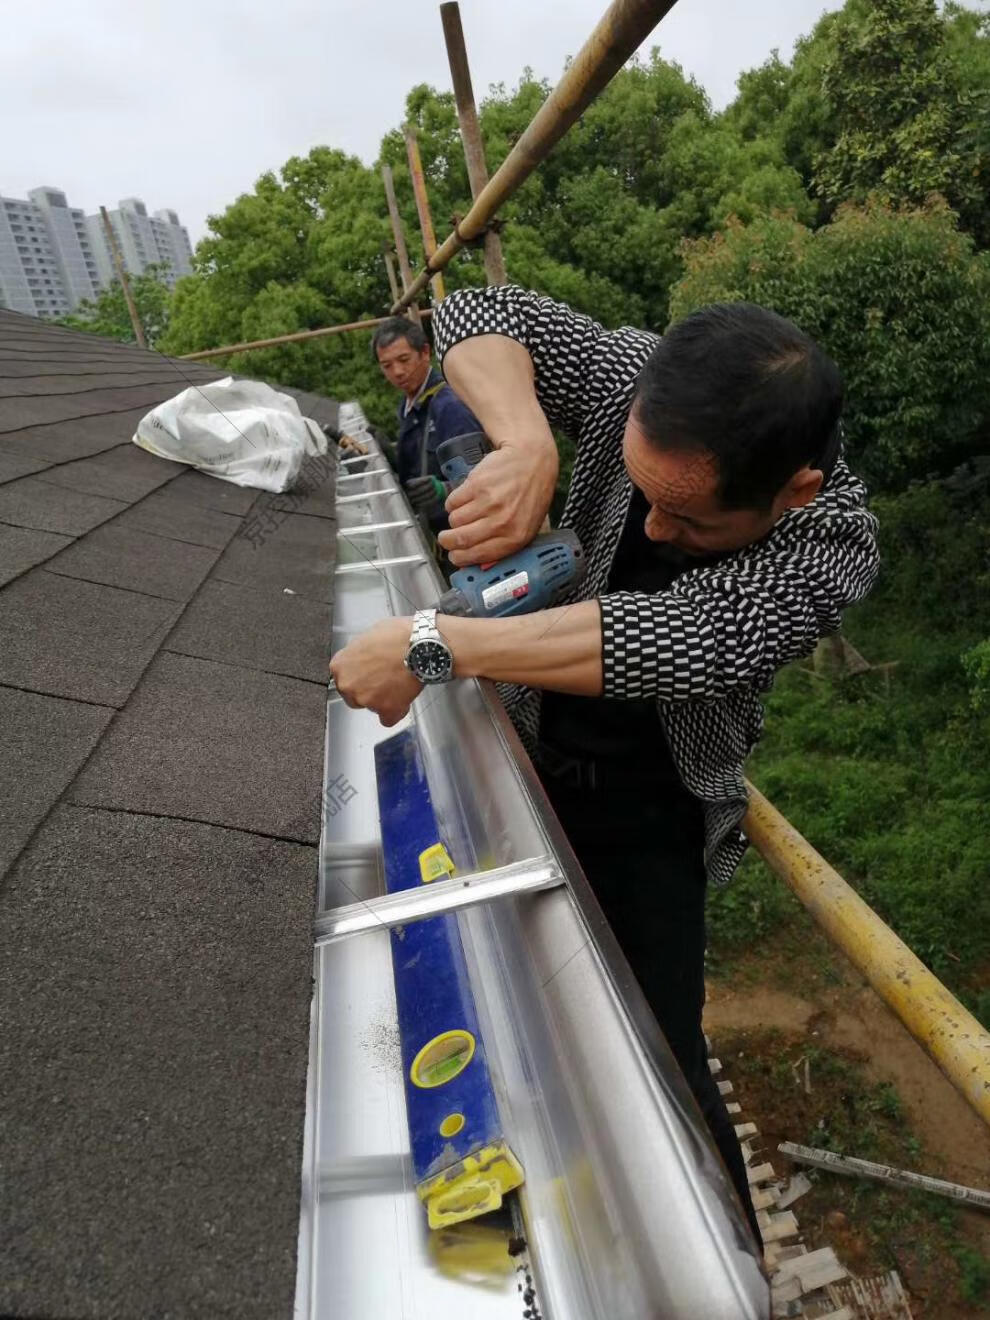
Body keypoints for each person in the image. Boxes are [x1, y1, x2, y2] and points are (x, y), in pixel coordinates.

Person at [332, 287, 880, 1248]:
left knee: (664, 1054)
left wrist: (432, 643)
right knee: (525, 1005)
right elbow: (477, 313)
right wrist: (527, 440)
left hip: (652, 814)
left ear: (789, 490)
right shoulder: (637, 375)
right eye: (643, 494)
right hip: (534, 752)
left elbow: (677, 637)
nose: (655, 532)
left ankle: (718, 1263)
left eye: (689, 519)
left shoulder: (829, 544)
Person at [372, 316, 481, 531]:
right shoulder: (409, 404)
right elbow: (416, 472)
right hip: (433, 534)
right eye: (387, 365)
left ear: (425, 353)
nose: (397, 372)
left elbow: (484, 478)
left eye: (404, 360)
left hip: (465, 534)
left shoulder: (450, 407)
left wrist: (445, 489)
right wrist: (391, 458)